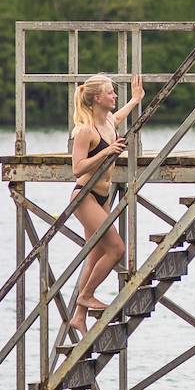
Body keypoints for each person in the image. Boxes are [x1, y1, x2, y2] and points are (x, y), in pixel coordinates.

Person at [67, 72, 144, 334]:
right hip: (85, 195)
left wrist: (135, 100)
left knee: (96, 254)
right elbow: (77, 168)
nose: (114, 96)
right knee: (116, 249)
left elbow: (119, 116)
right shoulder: (84, 130)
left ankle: (79, 316)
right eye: (110, 92)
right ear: (97, 98)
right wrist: (106, 152)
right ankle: (86, 295)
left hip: (103, 197)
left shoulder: (109, 121)